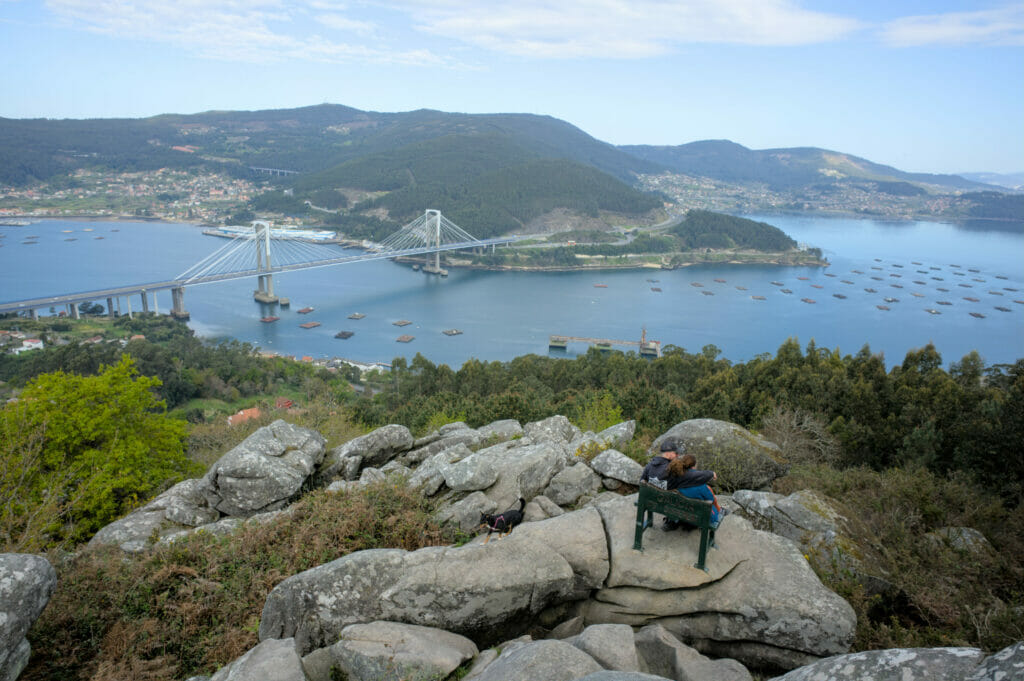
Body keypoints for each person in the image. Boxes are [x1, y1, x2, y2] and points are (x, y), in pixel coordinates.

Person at [666, 453, 725, 527]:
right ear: (693, 467)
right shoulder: (701, 486)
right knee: (710, 505)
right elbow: (711, 500)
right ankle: (720, 511)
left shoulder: (675, 480)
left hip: (680, 512)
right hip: (698, 517)